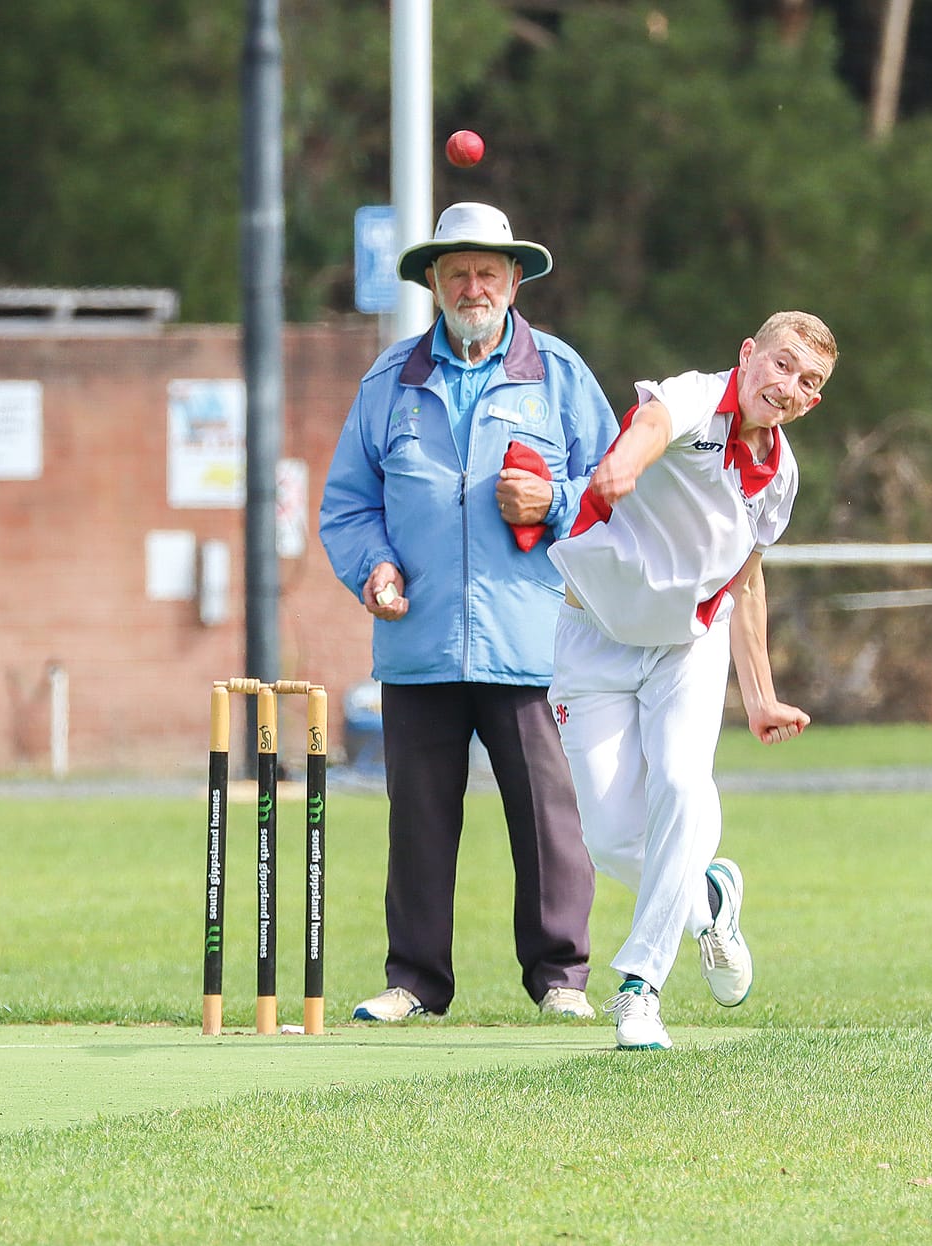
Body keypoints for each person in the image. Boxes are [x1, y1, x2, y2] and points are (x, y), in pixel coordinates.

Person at [319, 202, 615, 1023]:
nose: (473, 286)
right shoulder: (389, 382)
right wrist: (373, 567)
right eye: (457, 273)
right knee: (417, 820)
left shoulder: (558, 373)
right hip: (417, 642)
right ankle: (414, 980)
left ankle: (560, 977)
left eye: (488, 271)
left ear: (515, 281)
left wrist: (552, 498)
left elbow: (613, 491)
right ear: (434, 285)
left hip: (530, 642)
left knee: (549, 821)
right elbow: (347, 505)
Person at [547, 311, 836, 1051]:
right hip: (593, 635)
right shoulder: (698, 397)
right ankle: (709, 898)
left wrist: (762, 693)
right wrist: (629, 462)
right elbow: (652, 419)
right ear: (749, 354)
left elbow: (746, 584)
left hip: (686, 644)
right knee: (612, 839)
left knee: (680, 783)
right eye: (782, 365)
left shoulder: (781, 474)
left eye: (809, 382)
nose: (789, 386)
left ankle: (640, 989)